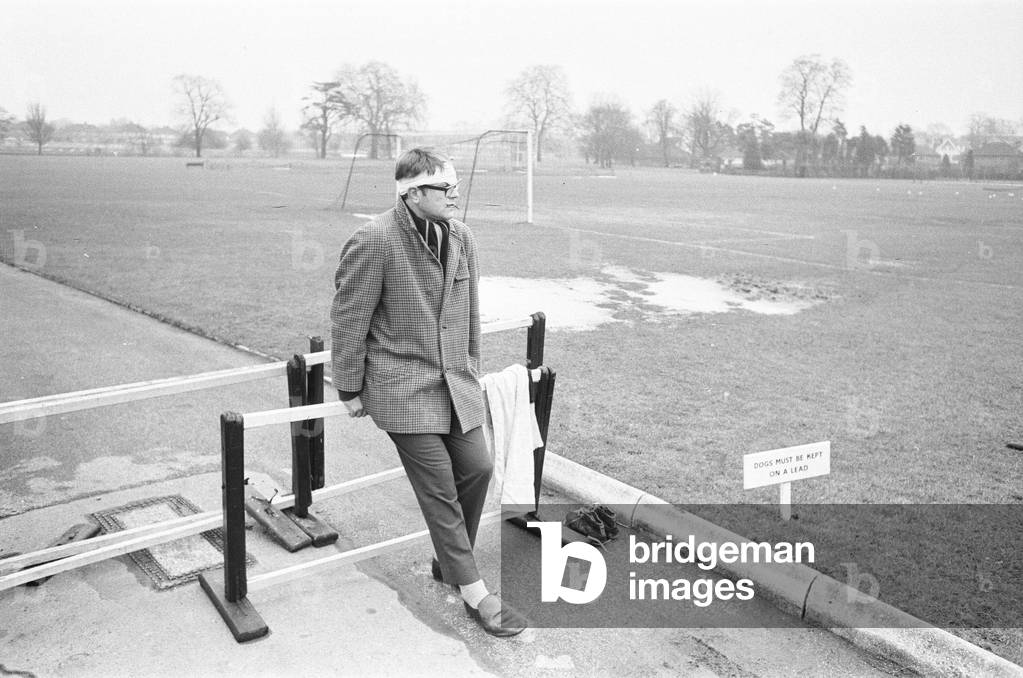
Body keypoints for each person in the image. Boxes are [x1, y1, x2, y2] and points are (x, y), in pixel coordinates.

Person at [330, 147, 526, 637]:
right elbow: (349, 319)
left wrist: (471, 371)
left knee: (479, 467)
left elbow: (470, 316)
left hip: (455, 383)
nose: (455, 195)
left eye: (455, 186)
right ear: (412, 193)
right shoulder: (373, 240)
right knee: (439, 488)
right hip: (400, 387)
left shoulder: (462, 238)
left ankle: (448, 560)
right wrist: (349, 387)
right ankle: (474, 591)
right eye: (445, 188)